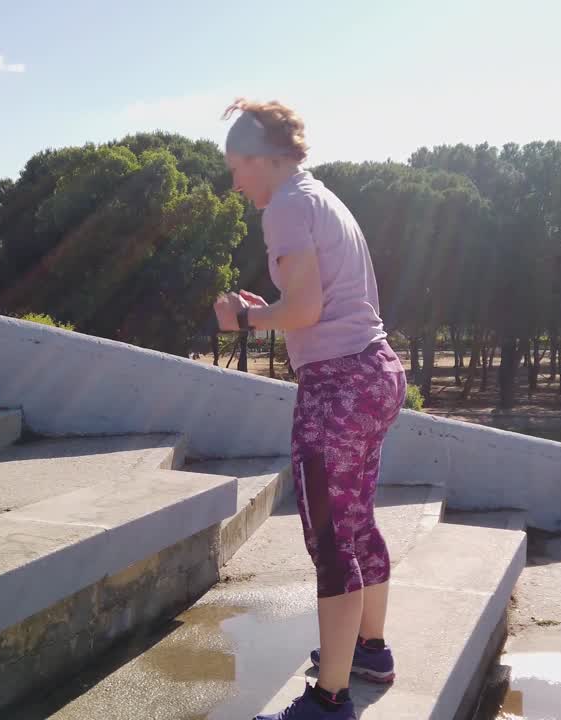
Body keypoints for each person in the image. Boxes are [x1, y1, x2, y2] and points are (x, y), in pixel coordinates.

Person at [213, 99, 407, 720]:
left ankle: (330, 700)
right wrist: (269, 305)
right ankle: (369, 650)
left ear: (261, 158)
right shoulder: (321, 197)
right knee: (355, 522)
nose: (234, 182)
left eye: (236, 166)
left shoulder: (288, 208)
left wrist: (243, 317)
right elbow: (311, 299)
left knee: (331, 541)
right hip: (375, 374)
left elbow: (305, 312)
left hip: (338, 386)